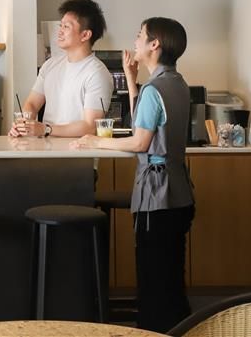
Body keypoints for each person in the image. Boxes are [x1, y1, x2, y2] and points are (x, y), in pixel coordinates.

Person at [71, 17, 195, 333]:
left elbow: (140, 141)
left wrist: (96, 141)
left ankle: (152, 330)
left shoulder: (155, 89)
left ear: (155, 44)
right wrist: (131, 79)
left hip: (157, 196)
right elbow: (147, 118)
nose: (136, 40)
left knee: (153, 279)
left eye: (140, 35)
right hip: (180, 193)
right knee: (170, 276)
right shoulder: (177, 83)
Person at [10, 0, 113, 138]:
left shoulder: (97, 73)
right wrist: (23, 123)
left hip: (78, 149)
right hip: (45, 146)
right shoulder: (50, 65)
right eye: (61, 25)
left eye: (66, 27)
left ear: (85, 35)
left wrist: (46, 129)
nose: (60, 31)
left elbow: (90, 126)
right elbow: (32, 104)